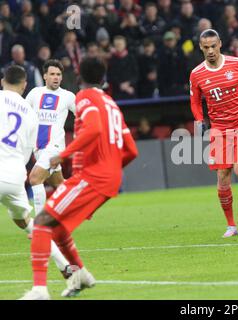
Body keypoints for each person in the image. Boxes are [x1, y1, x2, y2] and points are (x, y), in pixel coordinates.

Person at [20, 58, 139, 300]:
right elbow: (131, 150)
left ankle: (40, 290)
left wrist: (61, 156)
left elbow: (93, 129)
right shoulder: (110, 103)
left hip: (93, 176)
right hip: (108, 178)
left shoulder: (84, 97)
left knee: (42, 223)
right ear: (103, 78)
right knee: (60, 230)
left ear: (76, 75)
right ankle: (81, 275)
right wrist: (112, 171)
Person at [0, 65, 71, 284]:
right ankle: (65, 266)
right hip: (14, 175)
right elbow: (27, 149)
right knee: (27, 223)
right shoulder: (29, 111)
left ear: (3, 81)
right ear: (24, 85)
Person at [189, 29, 238, 238]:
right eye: (206, 47)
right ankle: (231, 225)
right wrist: (199, 120)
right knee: (223, 177)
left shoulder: (236, 64)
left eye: (213, 46)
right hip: (219, 129)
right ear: (201, 48)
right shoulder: (196, 74)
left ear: (220, 44)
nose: (210, 51)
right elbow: (195, 101)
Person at [25, 59, 76, 231]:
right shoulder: (34, 93)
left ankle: (40, 226)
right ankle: (80, 204)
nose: (56, 77)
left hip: (55, 148)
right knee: (59, 184)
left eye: (59, 74)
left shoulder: (68, 96)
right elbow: (24, 116)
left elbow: (82, 115)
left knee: (34, 179)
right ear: (45, 76)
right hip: (38, 148)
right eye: (52, 74)